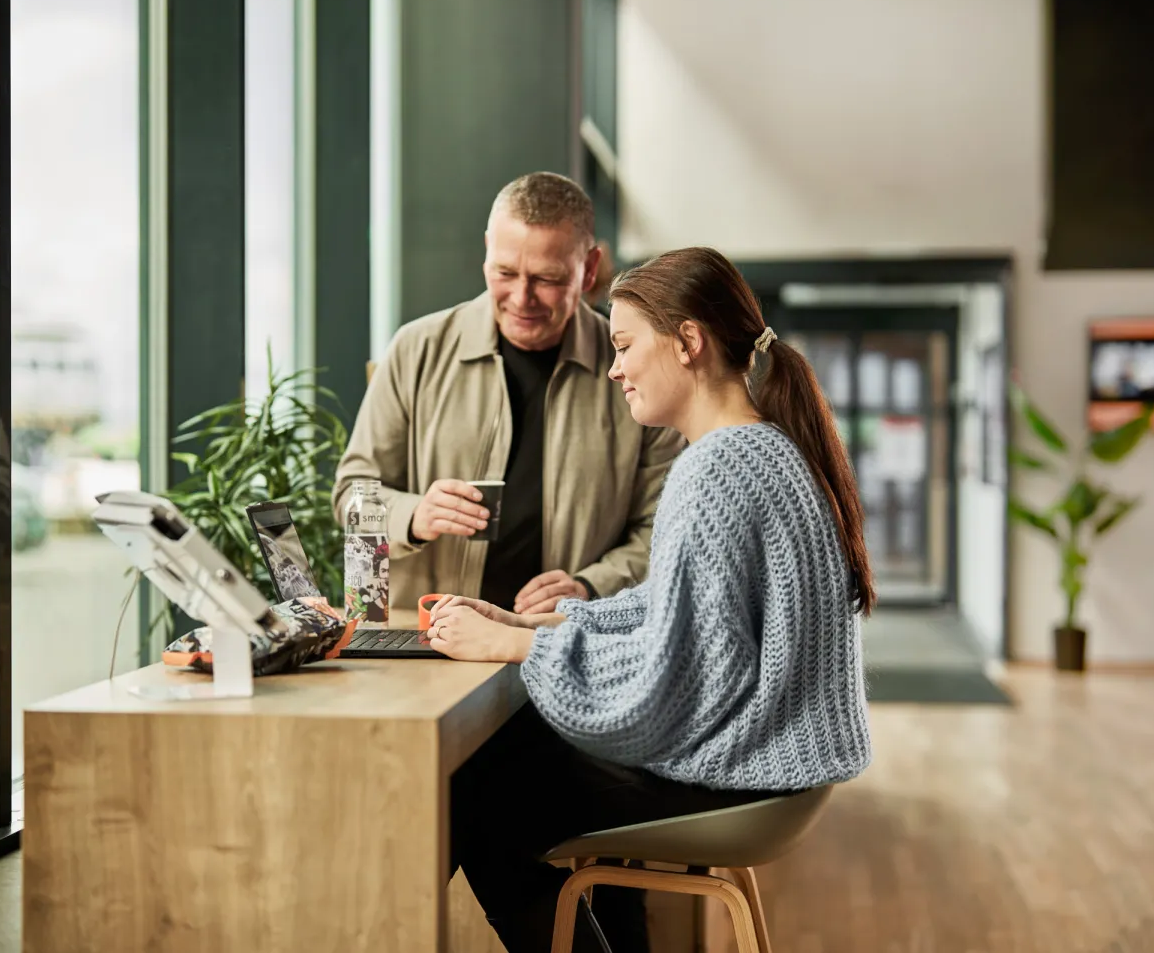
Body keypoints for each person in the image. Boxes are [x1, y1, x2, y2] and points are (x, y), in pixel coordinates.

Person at [426, 246, 875, 953]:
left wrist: (521, 646)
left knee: (475, 797)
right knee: (506, 771)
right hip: (785, 767)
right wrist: (541, 619)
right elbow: (684, 613)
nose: (614, 368)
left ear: (688, 342)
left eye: (626, 345)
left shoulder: (713, 471)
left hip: (747, 774)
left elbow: (677, 680)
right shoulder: (766, 448)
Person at [335, 173, 682, 618]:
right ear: (486, 251)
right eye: (505, 272)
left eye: (547, 278)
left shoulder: (634, 369)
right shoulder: (417, 349)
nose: (522, 297)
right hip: (429, 640)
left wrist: (591, 586)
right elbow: (351, 494)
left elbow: (665, 527)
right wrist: (414, 516)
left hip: (565, 643)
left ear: (589, 268)